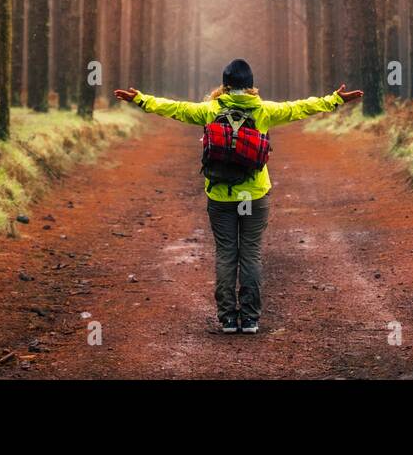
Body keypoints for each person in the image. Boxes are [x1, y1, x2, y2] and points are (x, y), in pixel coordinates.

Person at [115, 58, 362, 334]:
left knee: (226, 254)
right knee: (251, 254)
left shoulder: (209, 110)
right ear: (251, 86)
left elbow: (174, 108)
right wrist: (334, 100)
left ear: (224, 85)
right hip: (253, 196)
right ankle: (251, 318)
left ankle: (229, 319)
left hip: (221, 196)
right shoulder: (264, 111)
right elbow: (301, 108)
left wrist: (141, 100)